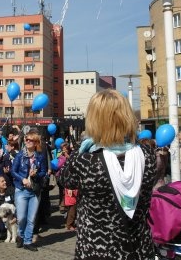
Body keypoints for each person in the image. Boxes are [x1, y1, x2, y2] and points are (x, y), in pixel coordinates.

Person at [57, 89, 158, 260]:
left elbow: (65, 179)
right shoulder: (147, 154)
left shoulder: (85, 159)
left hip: (97, 248)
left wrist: (82, 146)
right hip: (138, 247)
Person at [11, 129, 47, 251]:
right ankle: (20, 235)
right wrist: (22, 179)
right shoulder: (20, 155)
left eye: (30, 140)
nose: (27, 141)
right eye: (26, 139)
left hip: (35, 191)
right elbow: (13, 171)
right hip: (21, 190)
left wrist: (35, 175)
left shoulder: (40, 156)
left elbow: (44, 172)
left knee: (31, 218)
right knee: (21, 218)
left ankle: (27, 241)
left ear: (36, 142)